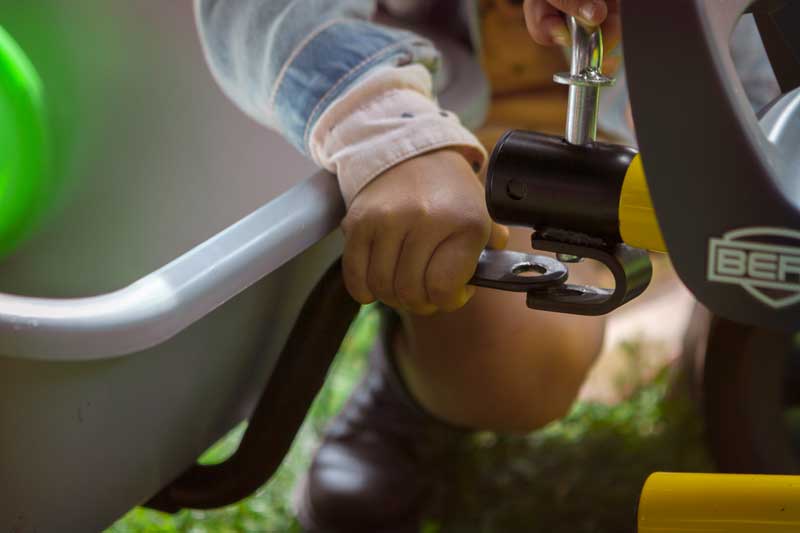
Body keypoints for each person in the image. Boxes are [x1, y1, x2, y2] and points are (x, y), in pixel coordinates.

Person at [192, 1, 621, 531]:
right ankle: (412, 387)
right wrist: (393, 133)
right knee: (512, 366)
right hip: (461, 140)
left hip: (663, 154)